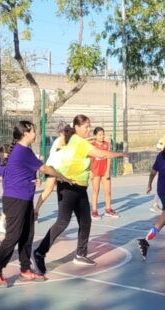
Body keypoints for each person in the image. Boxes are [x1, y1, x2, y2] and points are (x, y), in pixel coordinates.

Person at [33, 114, 127, 273]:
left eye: (89, 126)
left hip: (80, 187)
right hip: (68, 186)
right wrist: (120, 154)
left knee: (86, 221)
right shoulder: (78, 141)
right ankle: (39, 252)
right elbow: (100, 154)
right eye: (86, 127)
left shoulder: (78, 141)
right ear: (76, 127)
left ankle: (81, 254)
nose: (88, 129)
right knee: (62, 222)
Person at [0, 122, 70, 285]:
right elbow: (45, 168)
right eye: (33, 131)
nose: (35, 133)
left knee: (27, 235)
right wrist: (61, 176)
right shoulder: (21, 151)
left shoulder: (24, 150)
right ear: (25, 134)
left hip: (25, 198)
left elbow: (27, 170)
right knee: (13, 236)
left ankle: (25, 269)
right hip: (15, 200)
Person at [34, 129, 67, 219]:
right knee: (48, 190)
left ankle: (63, 211)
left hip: (58, 169)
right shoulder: (61, 140)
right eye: (65, 131)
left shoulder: (64, 140)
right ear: (60, 132)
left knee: (63, 190)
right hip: (53, 168)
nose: (67, 133)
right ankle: (35, 211)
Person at [89, 127, 119, 219]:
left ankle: (108, 209)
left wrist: (107, 171)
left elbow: (109, 157)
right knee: (95, 191)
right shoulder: (92, 145)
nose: (102, 136)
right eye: (100, 134)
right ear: (95, 136)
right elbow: (89, 159)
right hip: (95, 171)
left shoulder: (107, 144)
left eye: (103, 134)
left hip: (104, 170)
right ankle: (94, 211)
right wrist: (90, 171)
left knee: (108, 191)